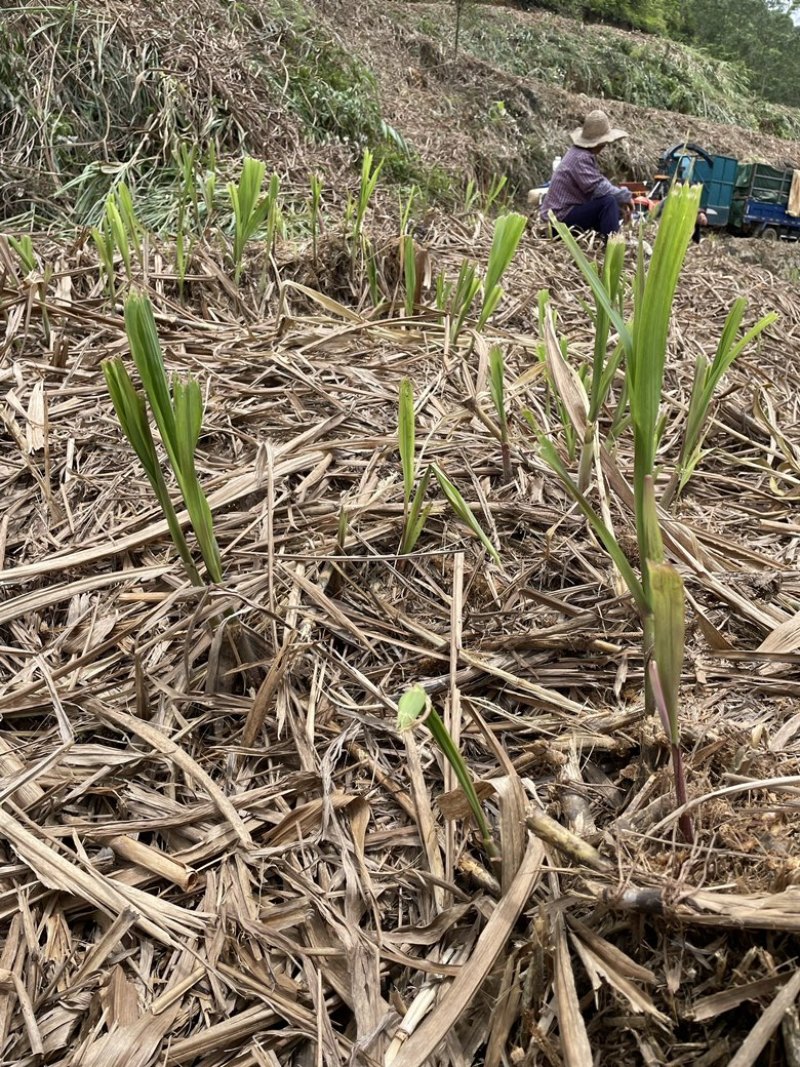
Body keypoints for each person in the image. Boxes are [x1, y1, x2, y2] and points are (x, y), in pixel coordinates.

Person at [540, 111, 633, 239]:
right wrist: (624, 196)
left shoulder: (581, 154)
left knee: (611, 204)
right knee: (608, 202)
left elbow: (598, 185)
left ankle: (611, 239)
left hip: (563, 215)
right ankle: (613, 246)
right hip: (557, 221)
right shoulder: (580, 158)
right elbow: (600, 189)